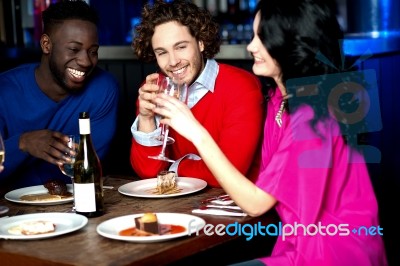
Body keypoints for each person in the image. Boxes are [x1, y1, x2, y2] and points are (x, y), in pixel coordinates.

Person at [152, 0, 388, 265]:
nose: (251, 46)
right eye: (253, 36)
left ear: (293, 43)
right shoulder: (281, 99)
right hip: (297, 245)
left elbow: (256, 204)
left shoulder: (315, 114)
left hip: (334, 253)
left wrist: (196, 131)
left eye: (262, 38)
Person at [130, 0, 265, 187]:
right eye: (162, 52)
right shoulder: (154, 88)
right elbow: (149, 172)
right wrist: (146, 118)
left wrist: (173, 169)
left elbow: (231, 171)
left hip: (238, 207)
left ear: (200, 42)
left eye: (181, 47)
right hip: (181, 208)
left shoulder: (240, 86)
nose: (173, 61)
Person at [0, 0, 119, 190]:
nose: (86, 61)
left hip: (74, 199)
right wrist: (22, 143)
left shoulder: (103, 89)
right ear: (46, 45)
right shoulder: (4, 90)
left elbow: (88, 166)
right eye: (74, 49)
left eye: (93, 51)